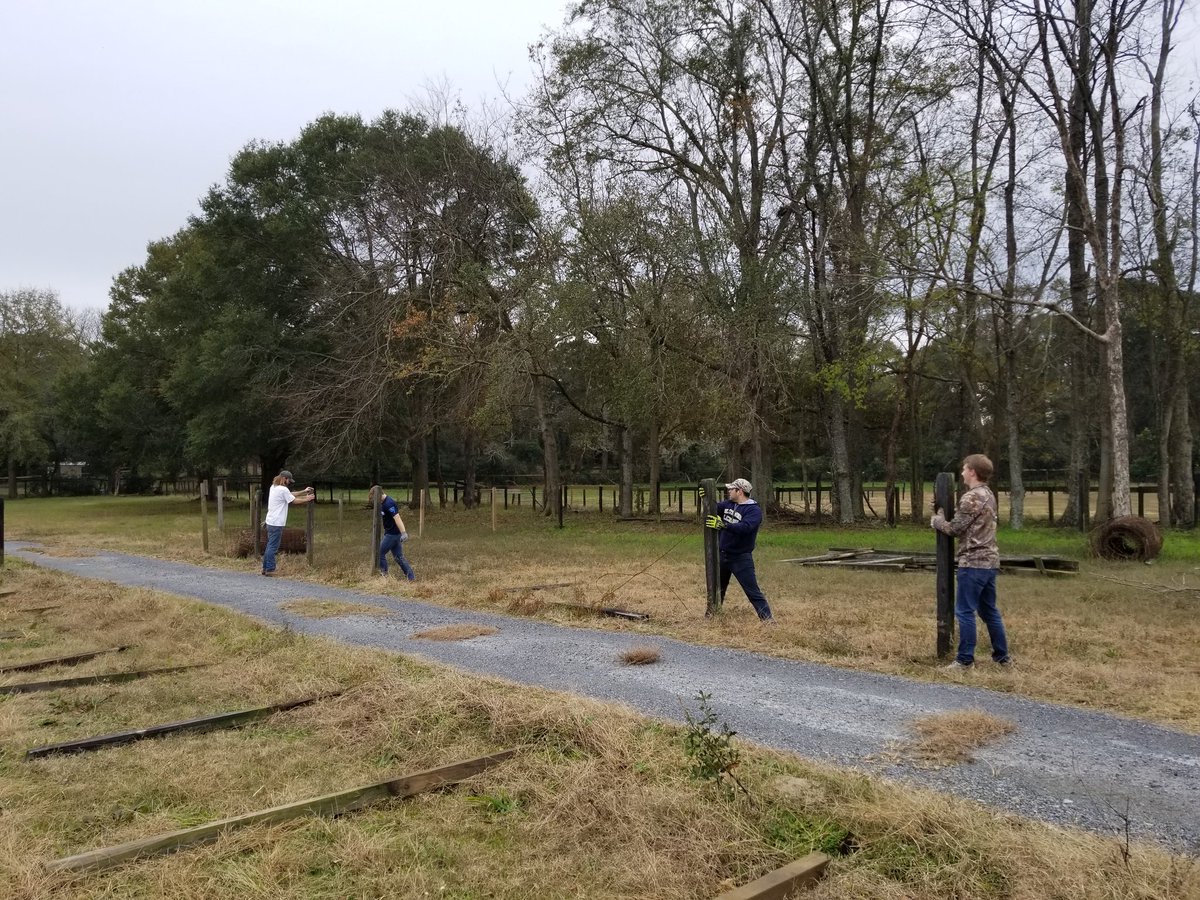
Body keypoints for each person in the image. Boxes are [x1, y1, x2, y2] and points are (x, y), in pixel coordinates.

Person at [930, 454, 1012, 669]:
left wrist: (937, 520)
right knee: (989, 611)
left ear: (973, 471)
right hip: (990, 561)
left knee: (965, 611)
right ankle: (1002, 658)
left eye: (965, 469)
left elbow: (955, 529)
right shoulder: (988, 494)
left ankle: (965, 660)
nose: (962, 473)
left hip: (973, 562)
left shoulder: (971, 497)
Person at [704, 477, 773, 621]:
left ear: (739, 491)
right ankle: (712, 616)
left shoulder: (753, 510)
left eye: (731, 489)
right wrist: (705, 496)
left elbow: (746, 527)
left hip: (740, 558)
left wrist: (724, 525)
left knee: (752, 591)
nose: (728, 491)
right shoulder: (728, 504)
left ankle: (768, 621)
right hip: (722, 555)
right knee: (717, 589)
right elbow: (712, 508)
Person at [262, 470, 315, 576]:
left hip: (270, 521)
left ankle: (265, 568)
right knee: (273, 547)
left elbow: (290, 494)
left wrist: (304, 491)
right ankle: (270, 569)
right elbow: (293, 501)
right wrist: (307, 499)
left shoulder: (274, 487)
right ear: (284, 479)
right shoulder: (282, 489)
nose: (289, 482)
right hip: (277, 522)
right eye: (288, 480)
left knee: (270, 545)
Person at [369, 484, 415, 581]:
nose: (373, 500)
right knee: (398, 557)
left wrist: (403, 532)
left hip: (393, 534)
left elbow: (397, 517)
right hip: (389, 532)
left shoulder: (389, 503)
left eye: (373, 498)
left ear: (378, 495)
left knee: (379, 553)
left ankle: (384, 575)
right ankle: (411, 577)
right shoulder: (382, 503)